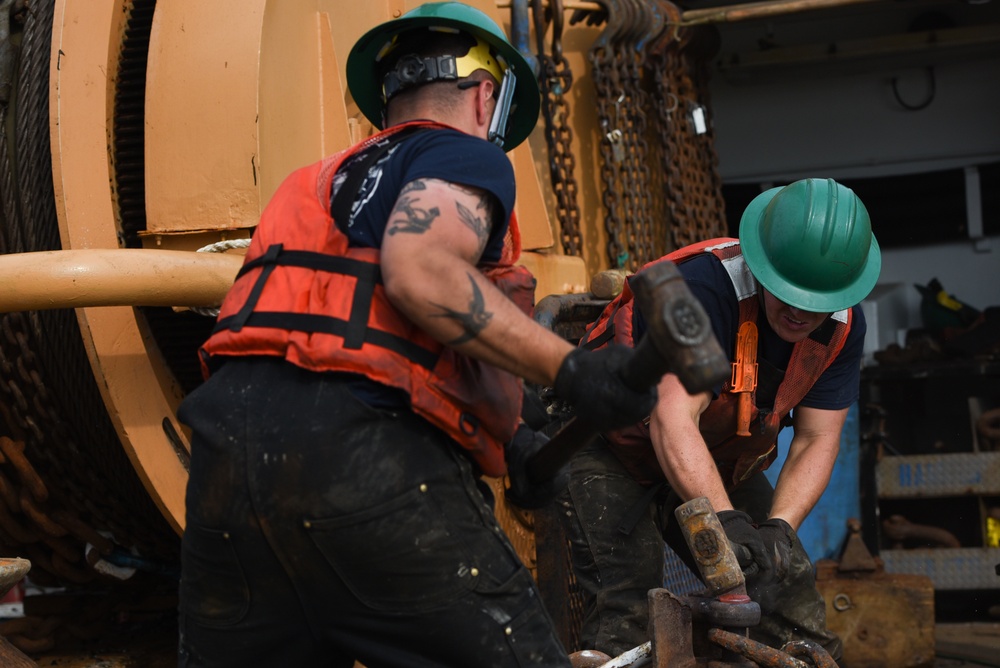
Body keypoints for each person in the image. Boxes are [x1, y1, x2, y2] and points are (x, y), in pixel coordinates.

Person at [174, 4, 657, 667]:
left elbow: (346, 328)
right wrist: (575, 372)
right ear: (486, 95)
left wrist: (510, 438)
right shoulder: (464, 155)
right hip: (365, 460)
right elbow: (419, 272)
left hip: (226, 465)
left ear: (386, 96)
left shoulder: (306, 186)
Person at [558, 177, 881, 662]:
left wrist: (778, 531)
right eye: (785, 292)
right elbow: (672, 416)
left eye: (814, 303)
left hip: (710, 456)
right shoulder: (703, 286)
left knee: (784, 583)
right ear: (761, 264)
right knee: (631, 597)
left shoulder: (843, 326)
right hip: (607, 442)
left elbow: (817, 438)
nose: (797, 311)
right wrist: (725, 521)